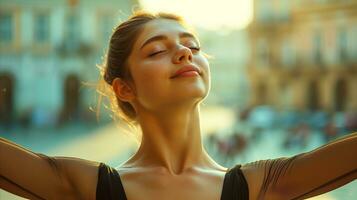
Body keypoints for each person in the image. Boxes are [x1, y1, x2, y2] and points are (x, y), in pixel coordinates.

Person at [1, 11, 356, 200]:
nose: (185, 52)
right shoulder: (86, 186)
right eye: (156, 50)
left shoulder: (257, 184)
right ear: (125, 89)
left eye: (193, 46)